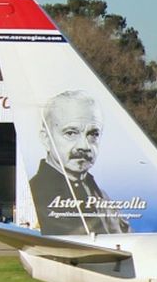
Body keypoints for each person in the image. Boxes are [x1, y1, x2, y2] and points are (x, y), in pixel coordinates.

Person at [29, 90, 131, 236]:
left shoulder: (100, 195)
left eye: (93, 134)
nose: (84, 145)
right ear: (46, 139)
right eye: (71, 133)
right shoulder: (37, 194)